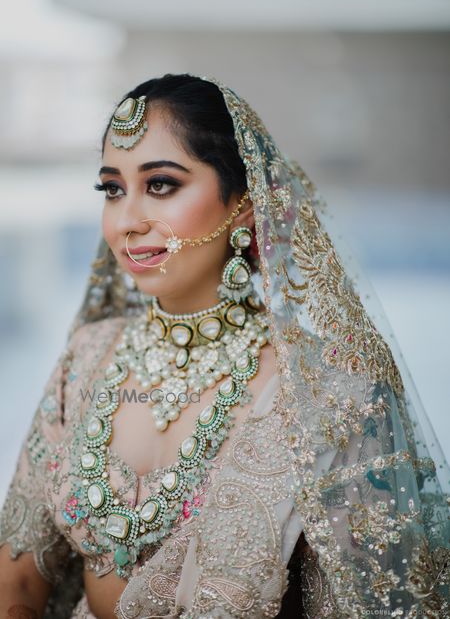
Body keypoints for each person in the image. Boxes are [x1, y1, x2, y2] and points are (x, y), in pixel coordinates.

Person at [0, 73, 448, 618]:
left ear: (243, 206)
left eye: (161, 184)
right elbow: (17, 582)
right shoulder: (87, 358)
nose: (127, 220)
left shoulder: (332, 393)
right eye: (112, 188)